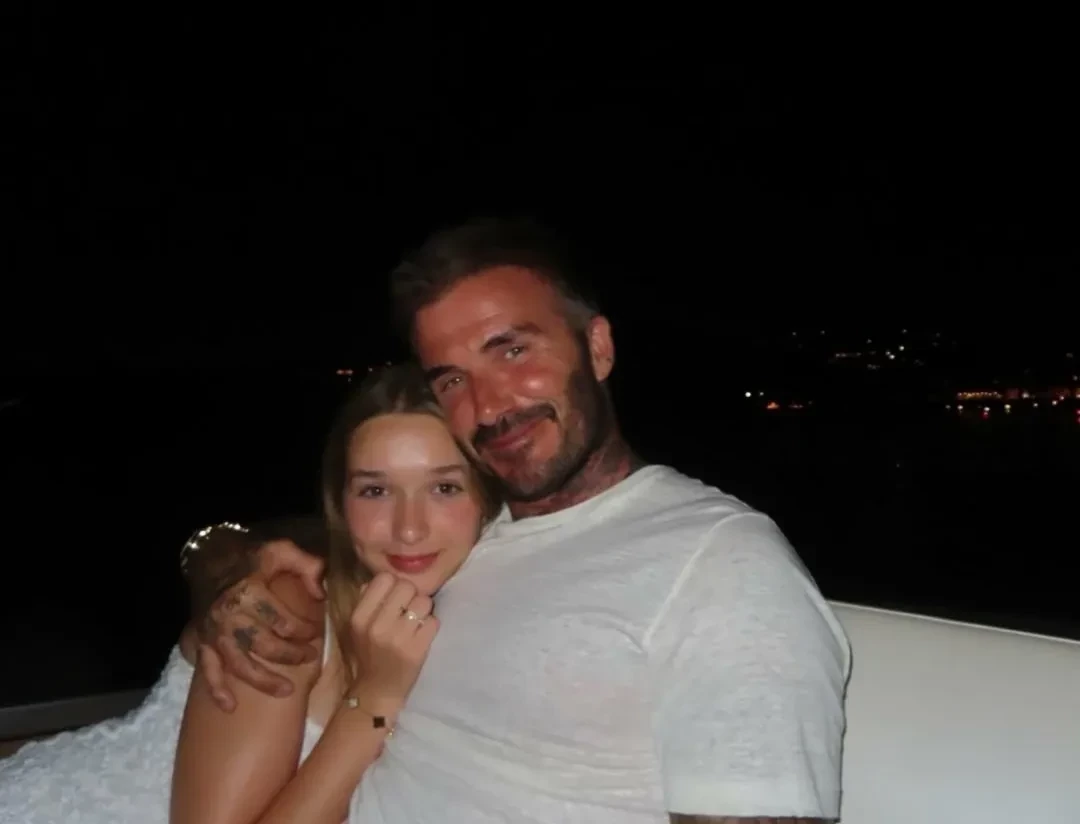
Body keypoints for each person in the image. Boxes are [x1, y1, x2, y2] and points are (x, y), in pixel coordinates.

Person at [191, 217, 853, 823]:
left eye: (511, 351)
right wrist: (227, 557)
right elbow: (359, 538)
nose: (489, 406)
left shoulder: (721, 563)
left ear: (598, 348)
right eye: (452, 379)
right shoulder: (476, 539)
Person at [0, 364, 497, 824]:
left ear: (489, 499)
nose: (409, 528)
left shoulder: (474, 617)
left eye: (444, 488)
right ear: (341, 504)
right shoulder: (287, 612)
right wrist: (373, 700)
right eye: (375, 491)